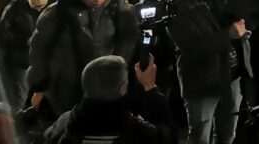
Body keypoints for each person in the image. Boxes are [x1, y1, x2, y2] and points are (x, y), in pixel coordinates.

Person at [27, 0, 137, 116]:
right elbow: (39, 52)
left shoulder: (118, 7)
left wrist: (119, 69)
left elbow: (129, 37)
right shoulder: (55, 15)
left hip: (107, 88)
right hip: (66, 91)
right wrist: (40, 86)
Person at [166, 0, 251, 144]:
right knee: (200, 137)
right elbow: (191, 49)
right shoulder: (176, 5)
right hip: (203, 81)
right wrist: (228, 35)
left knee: (228, 134)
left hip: (232, 76)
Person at [44, 54, 176, 144]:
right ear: (123, 88)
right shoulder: (137, 130)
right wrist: (150, 87)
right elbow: (168, 136)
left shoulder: (64, 123)